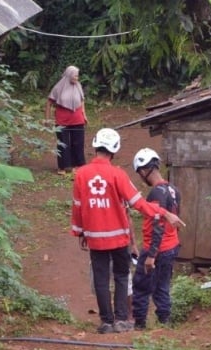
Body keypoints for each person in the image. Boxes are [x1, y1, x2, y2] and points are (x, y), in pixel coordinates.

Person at [71, 128, 185, 334]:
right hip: (118, 238)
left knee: (101, 278)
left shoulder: (81, 174)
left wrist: (80, 232)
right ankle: (122, 319)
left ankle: (106, 322)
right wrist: (164, 213)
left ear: (95, 146)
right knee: (122, 275)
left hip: (95, 237)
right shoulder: (118, 175)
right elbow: (138, 203)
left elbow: (78, 206)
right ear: (114, 151)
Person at [131, 147, 182, 330]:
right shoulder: (173, 190)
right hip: (171, 246)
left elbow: (158, 224)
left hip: (156, 249)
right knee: (162, 286)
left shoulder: (156, 193)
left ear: (144, 171)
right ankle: (165, 323)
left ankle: (139, 325)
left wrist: (151, 254)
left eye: (140, 173)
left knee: (141, 287)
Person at [45, 65, 88, 175]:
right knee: (63, 143)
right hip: (62, 120)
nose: (76, 78)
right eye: (75, 76)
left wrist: (84, 114)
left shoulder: (78, 85)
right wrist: (47, 118)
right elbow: (49, 102)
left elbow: (82, 100)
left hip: (77, 119)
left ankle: (77, 165)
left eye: (77, 76)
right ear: (69, 75)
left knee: (78, 143)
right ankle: (62, 166)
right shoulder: (59, 87)